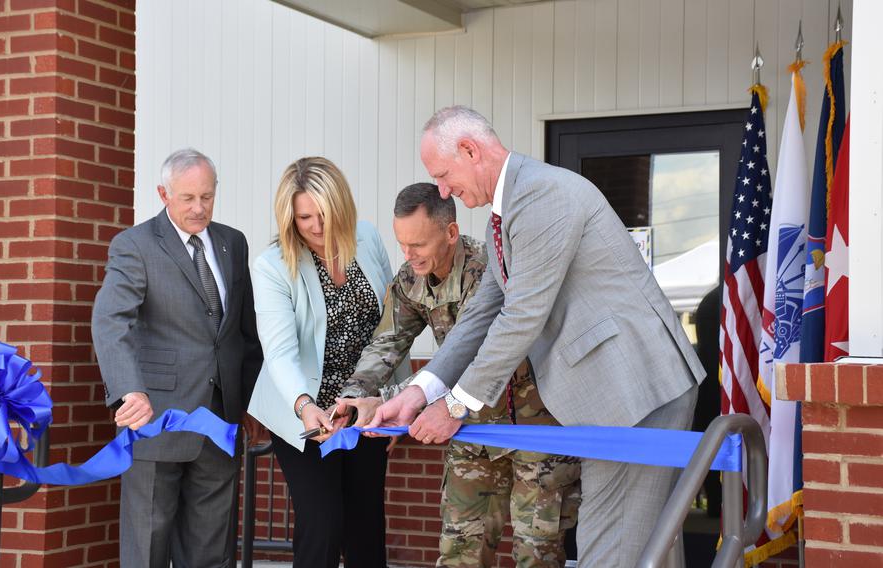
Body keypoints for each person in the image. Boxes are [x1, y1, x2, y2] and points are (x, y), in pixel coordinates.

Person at [369, 106, 706, 567]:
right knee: (643, 547)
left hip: (635, 391)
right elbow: (483, 314)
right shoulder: (507, 213)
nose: (443, 189)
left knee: (612, 550)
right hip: (614, 397)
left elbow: (521, 316)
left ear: (470, 149)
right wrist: (418, 391)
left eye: (444, 175)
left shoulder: (541, 195)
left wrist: (453, 406)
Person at [337, 182, 581, 567]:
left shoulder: (489, 272)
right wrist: (355, 396)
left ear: (450, 232)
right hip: (469, 431)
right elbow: (387, 342)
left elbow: (472, 356)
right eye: (402, 244)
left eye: (417, 244)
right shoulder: (410, 279)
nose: (408, 255)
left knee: (537, 553)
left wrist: (386, 402)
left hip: (535, 430)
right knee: (460, 553)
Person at [92, 148, 264, 568]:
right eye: (187, 198)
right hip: (155, 417)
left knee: (211, 547)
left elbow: (244, 331)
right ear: (163, 194)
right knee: (147, 547)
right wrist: (128, 390)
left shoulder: (232, 242)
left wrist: (253, 402)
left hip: (220, 417)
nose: (199, 207)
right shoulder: (134, 245)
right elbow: (111, 321)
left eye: (207, 196)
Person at [246, 156, 409, 568]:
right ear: (290, 218)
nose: (316, 227)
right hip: (305, 409)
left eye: (324, 214)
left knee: (365, 522)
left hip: (363, 408)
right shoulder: (272, 267)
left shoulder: (367, 238)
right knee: (323, 522)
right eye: (304, 218)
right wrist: (305, 405)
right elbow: (279, 353)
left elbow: (394, 324)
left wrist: (396, 402)